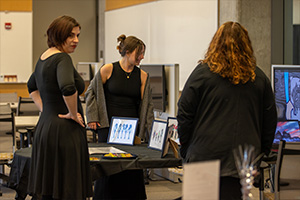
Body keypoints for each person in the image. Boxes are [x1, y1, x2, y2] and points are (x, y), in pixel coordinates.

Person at [177, 21, 277, 200]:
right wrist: (260, 153)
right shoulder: (259, 78)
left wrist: (186, 148)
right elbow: (269, 122)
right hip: (242, 161)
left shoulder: (201, 74)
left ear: (215, 43)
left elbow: (184, 113)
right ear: (246, 45)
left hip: (203, 156)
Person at [27, 15, 93, 200]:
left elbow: (31, 86)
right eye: (71, 35)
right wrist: (73, 113)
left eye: (78, 35)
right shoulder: (62, 58)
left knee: (50, 188)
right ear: (59, 34)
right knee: (67, 189)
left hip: (46, 127)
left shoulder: (44, 58)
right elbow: (68, 87)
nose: (76, 40)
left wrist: (45, 109)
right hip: (64, 132)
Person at [85, 34, 154, 199]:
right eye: (139, 53)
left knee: (131, 166)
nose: (142, 57)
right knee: (108, 166)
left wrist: (150, 131)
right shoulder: (108, 69)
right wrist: (93, 117)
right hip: (108, 126)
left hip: (131, 128)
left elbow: (148, 105)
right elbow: (91, 93)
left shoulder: (143, 76)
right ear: (128, 52)